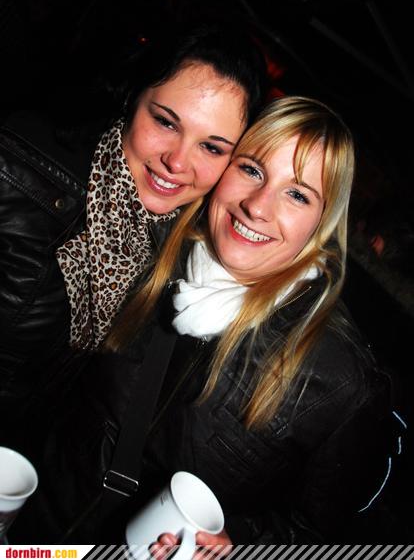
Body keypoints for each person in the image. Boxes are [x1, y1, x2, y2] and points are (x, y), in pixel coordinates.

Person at [11, 96, 401, 545]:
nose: (257, 206)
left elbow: (322, 531)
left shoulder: (341, 381)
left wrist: (240, 544)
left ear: (322, 223)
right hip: (36, 535)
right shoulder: (148, 251)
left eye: (297, 194)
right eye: (252, 169)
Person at [0, 16, 268, 437]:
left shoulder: (189, 257)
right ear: (131, 97)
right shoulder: (17, 173)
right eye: (166, 122)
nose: (177, 162)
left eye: (212, 147)